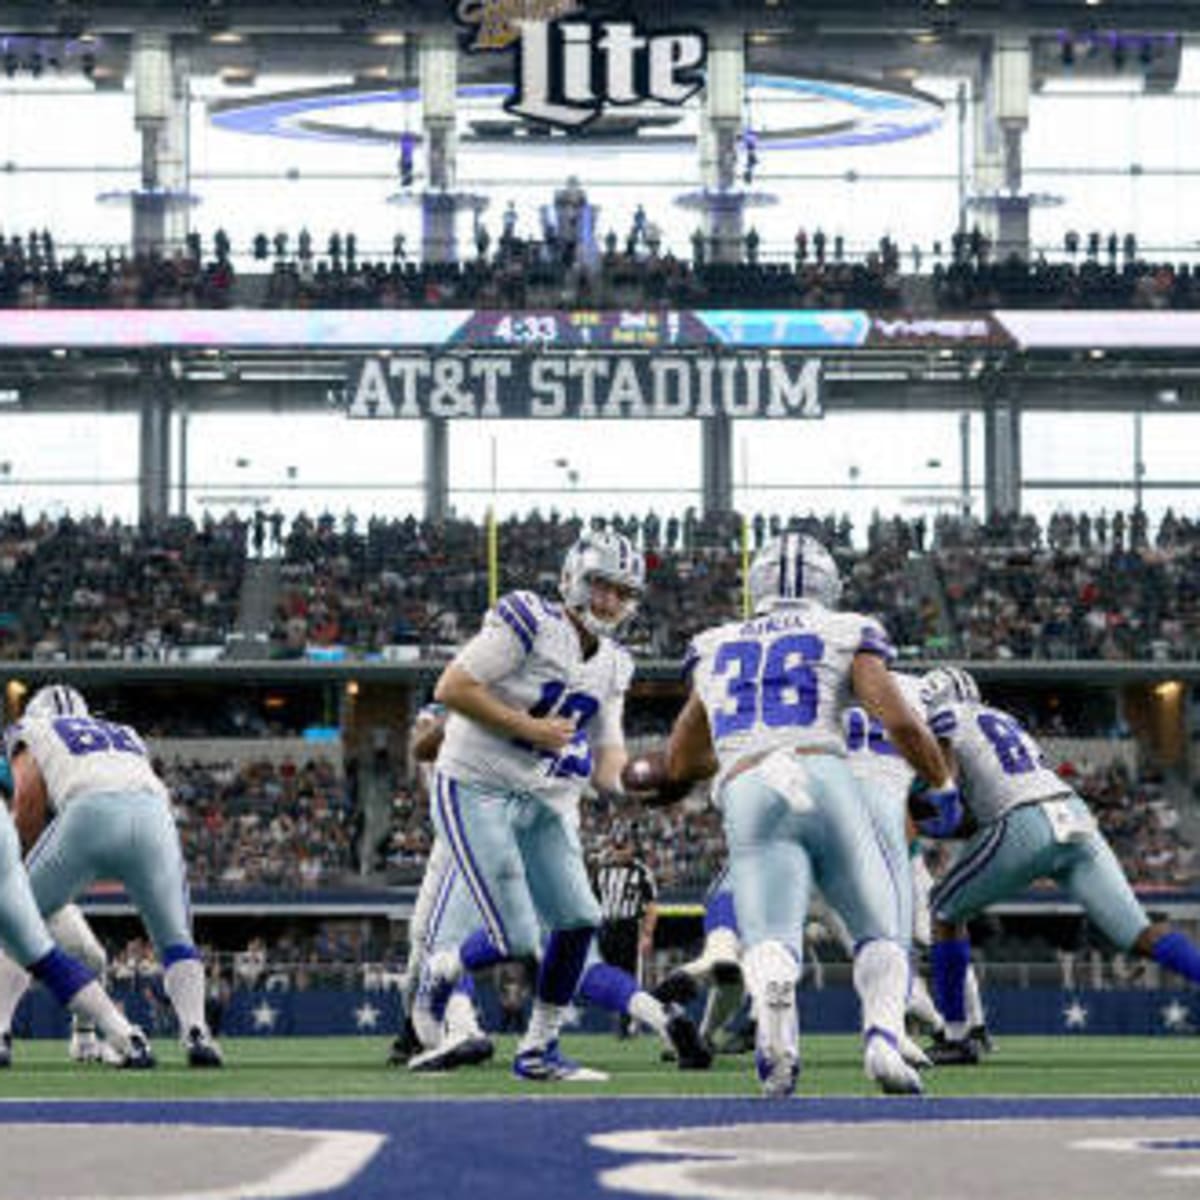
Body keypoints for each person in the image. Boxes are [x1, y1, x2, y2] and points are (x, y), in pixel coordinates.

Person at [653, 533, 957, 1097]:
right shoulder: (845, 629)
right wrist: (940, 780)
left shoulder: (717, 642)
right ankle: (884, 1043)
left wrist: (744, 743)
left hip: (748, 784)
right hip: (823, 771)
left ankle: (776, 1017)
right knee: (877, 928)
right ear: (829, 585)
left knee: (770, 936)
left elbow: (679, 759)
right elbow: (901, 723)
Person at [422, 531, 646, 1082]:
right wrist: (530, 727)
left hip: (535, 794)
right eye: (602, 586)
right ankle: (440, 969)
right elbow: (453, 686)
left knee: (579, 920)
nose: (610, 602)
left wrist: (650, 782)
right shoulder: (529, 618)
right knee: (515, 938)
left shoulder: (615, 663)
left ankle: (538, 1050)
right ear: (574, 579)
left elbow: (607, 757)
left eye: (622, 592)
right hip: (472, 783)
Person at [922, 665, 1200, 1062]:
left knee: (943, 910)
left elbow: (946, 789)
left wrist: (929, 808)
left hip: (1024, 820)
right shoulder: (1003, 719)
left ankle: (956, 1035)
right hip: (1074, 815)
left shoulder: (943, 716)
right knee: (1137, 932)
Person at [1, 684, 221, 1067]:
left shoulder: (35, 729)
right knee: (175, 940)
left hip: (89, 811)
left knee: (20, 926)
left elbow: (28, 797)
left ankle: (1, 1031)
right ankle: (196, 1032)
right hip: (155, 818)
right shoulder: (125, 733)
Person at [0, 732, 151, 1069]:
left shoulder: (52, 771)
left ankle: (90, 1037)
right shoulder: (29, 762)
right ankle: (123, 1034)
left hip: (24, 878)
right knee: (26, 950)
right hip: (19, 874)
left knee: (89, 956)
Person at [591, 827, 658, 1037]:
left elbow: (652, 906)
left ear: (632, 847)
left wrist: (647, 934)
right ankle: (620, 1017)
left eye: (624, 848)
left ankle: (629, 1022)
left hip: (630, 927)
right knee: (611, 975)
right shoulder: (602, 872)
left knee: (630, 975)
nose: (620, 852)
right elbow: (594, 901)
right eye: (617, 848)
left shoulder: (641, 872)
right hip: (607, 926)